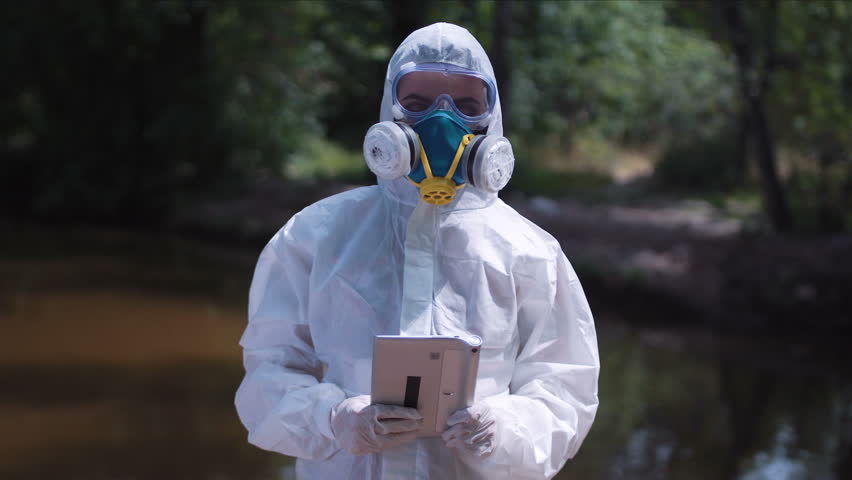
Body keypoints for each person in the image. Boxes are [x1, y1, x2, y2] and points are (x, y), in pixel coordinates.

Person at [235, 22, 599, 480]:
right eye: (418, 105)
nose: (440, 123)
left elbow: (566, 388)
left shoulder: (531, 253)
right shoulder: (315, 236)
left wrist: (502, 429)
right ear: (390, 113)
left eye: (467, 106)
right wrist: (333, 419)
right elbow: (268, 374)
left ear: (492, 120)